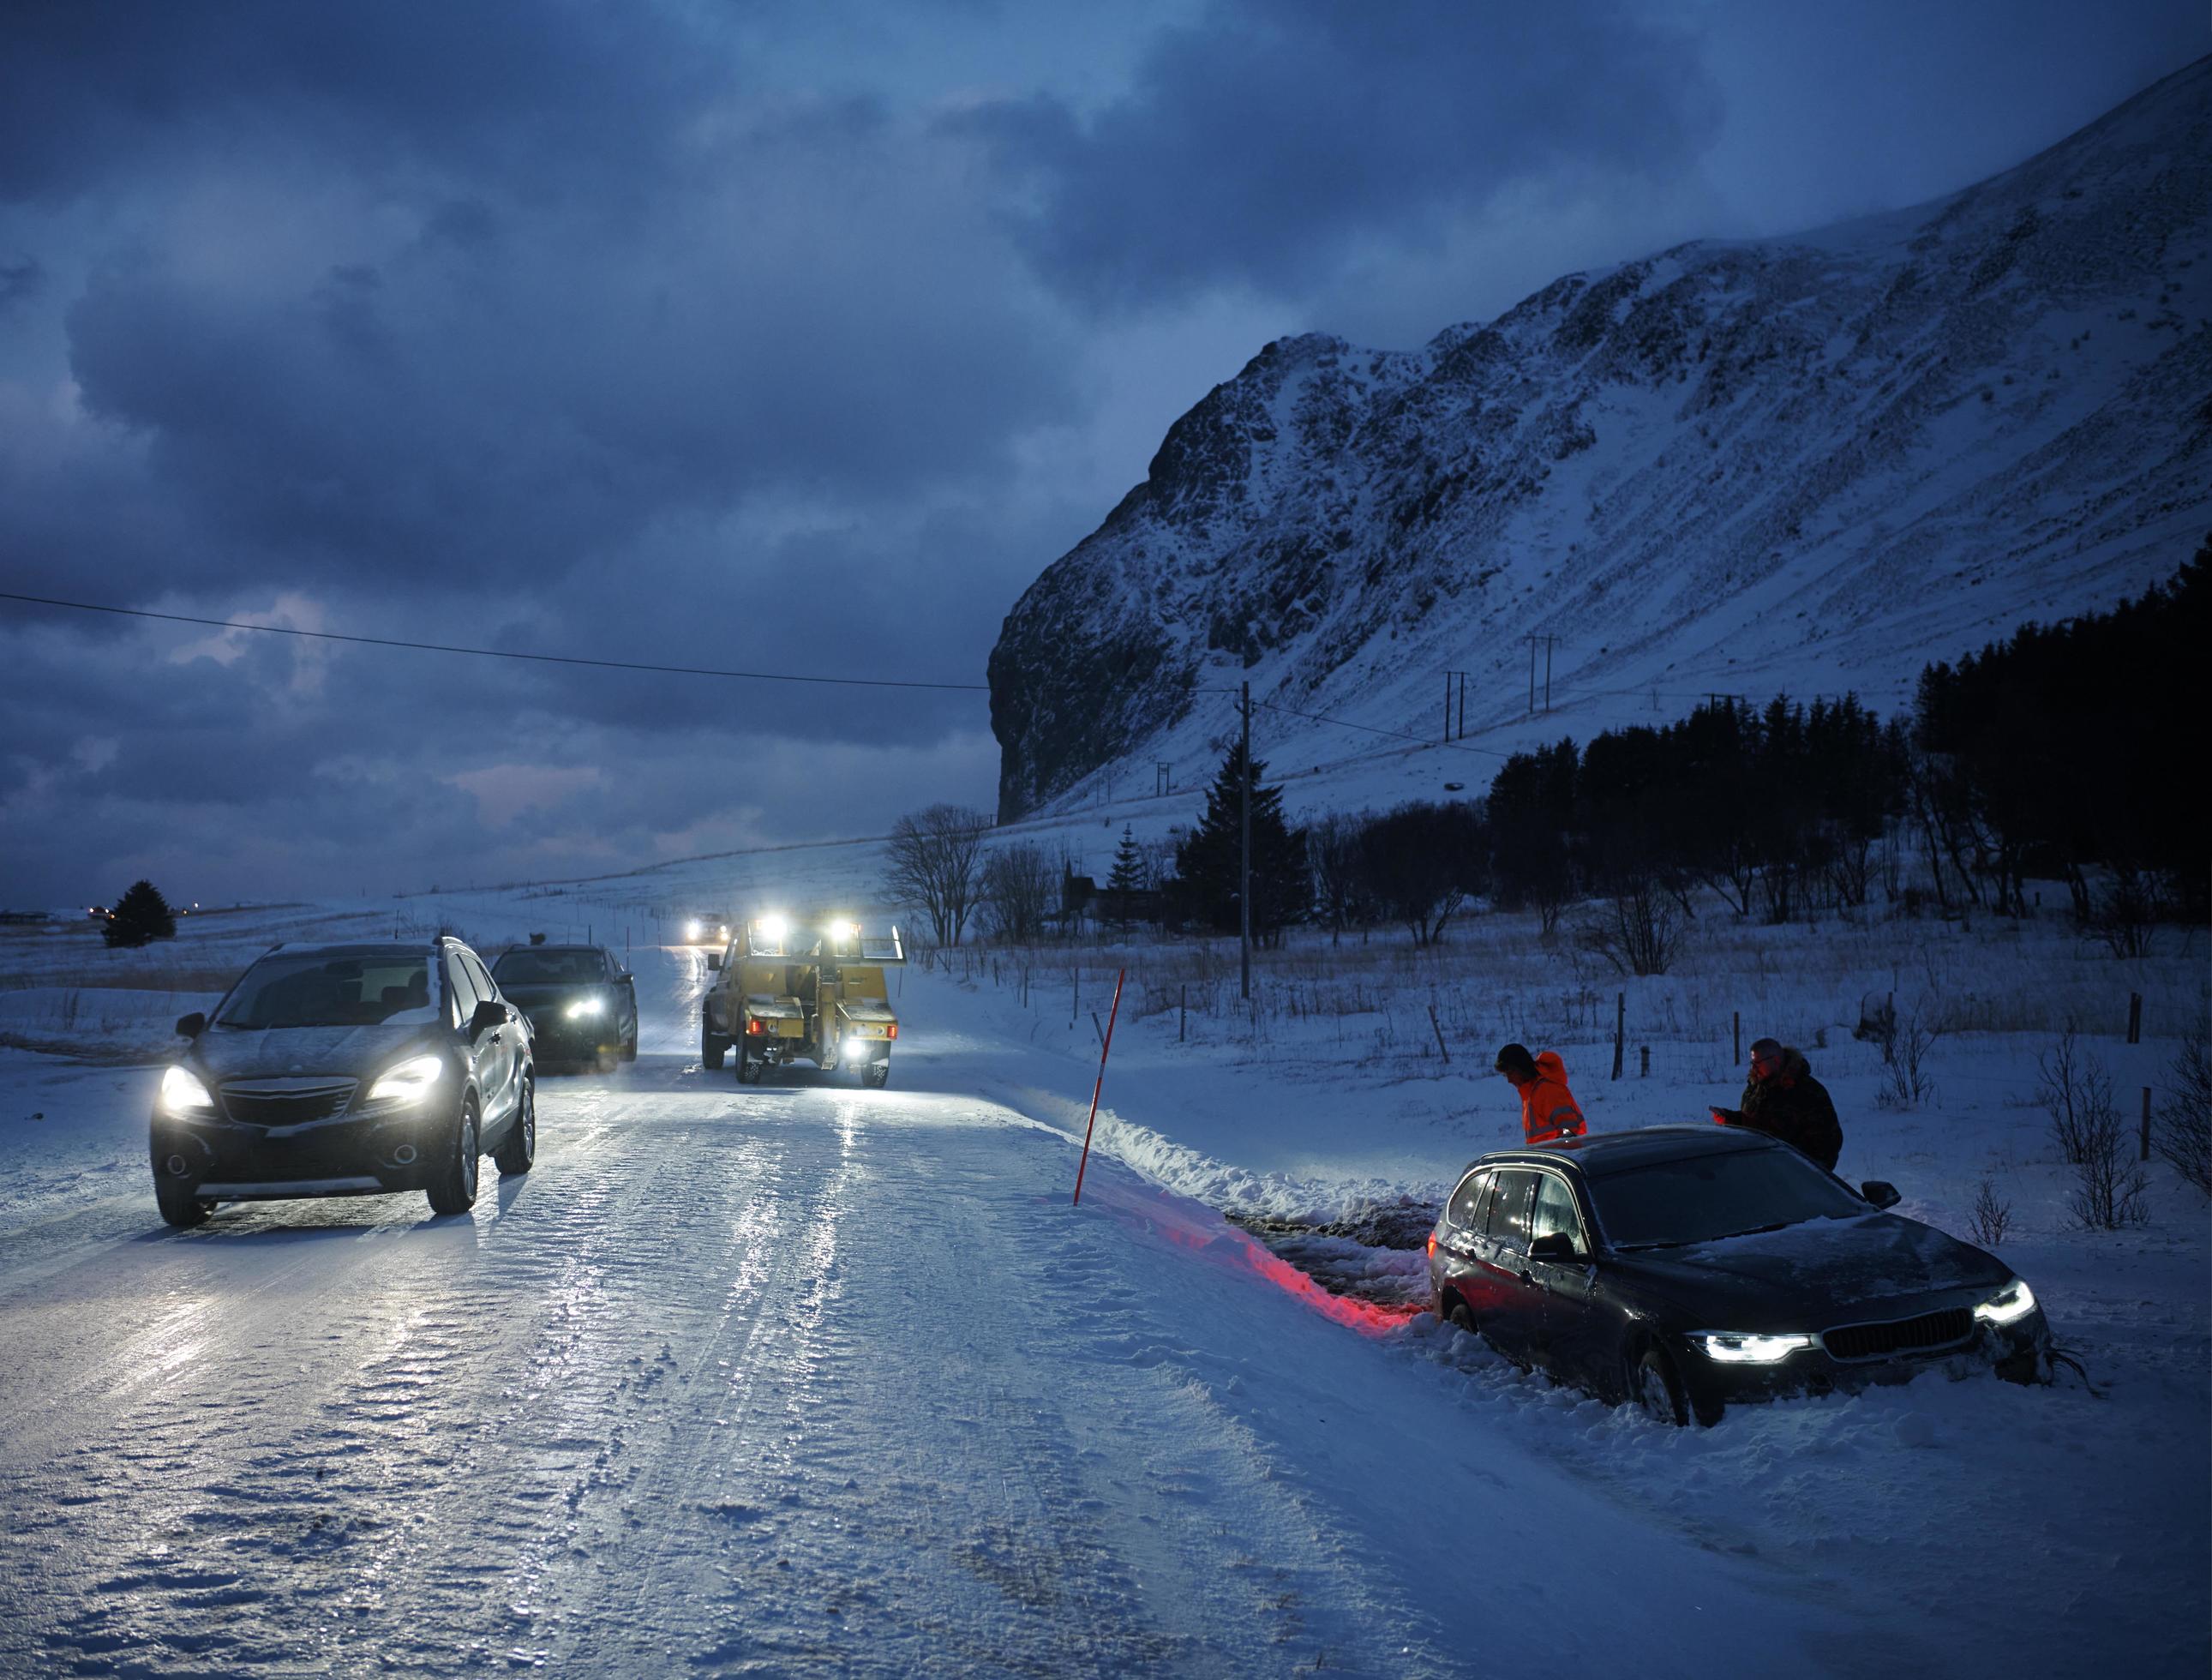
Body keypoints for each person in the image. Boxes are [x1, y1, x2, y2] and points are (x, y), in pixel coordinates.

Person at [1712, 1038, 1843, 1171]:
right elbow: (1755, 1122)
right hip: (1759, 1169)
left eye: (1757, 1063)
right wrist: (1731, 1118)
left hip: (1792, 1173)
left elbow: (1827, 1144)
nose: (1753, 1068)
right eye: (1752, 1063)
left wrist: (1798, 1168)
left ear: (1776, 1060)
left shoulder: (1808, 1092)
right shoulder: (1756, 1086)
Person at [1496, 1042, 1586, 1146]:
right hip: (1545, 1158)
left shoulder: (1546, 1090)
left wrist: (1561, 1153)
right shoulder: (1531, 1094)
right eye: (1505, 1075)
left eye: (1510, 1073)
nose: (1509, 1080)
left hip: (1556, 1159)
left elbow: (1570, 1131)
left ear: (1521, 1068)